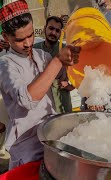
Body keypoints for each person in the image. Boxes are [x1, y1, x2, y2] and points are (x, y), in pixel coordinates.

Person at [0, 0, 80, 169]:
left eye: (30, 36)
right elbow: (27, 99)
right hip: (26, 146)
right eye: (20, 39)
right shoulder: (6, 65)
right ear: (6, 37)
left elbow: (67, 77)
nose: (28, 43)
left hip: (50, 138)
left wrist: (76, 58)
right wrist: (58, 61)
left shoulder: (42, 56)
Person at [34, 16, 74, 113]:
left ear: (60, 33)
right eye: (51, 28)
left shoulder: (67, 51)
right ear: (45, 28)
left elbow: (79, 77)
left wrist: (68, 86)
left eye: (57, 30)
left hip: (63, 105)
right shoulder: (34, 50)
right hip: (42, 107)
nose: (53, 33)